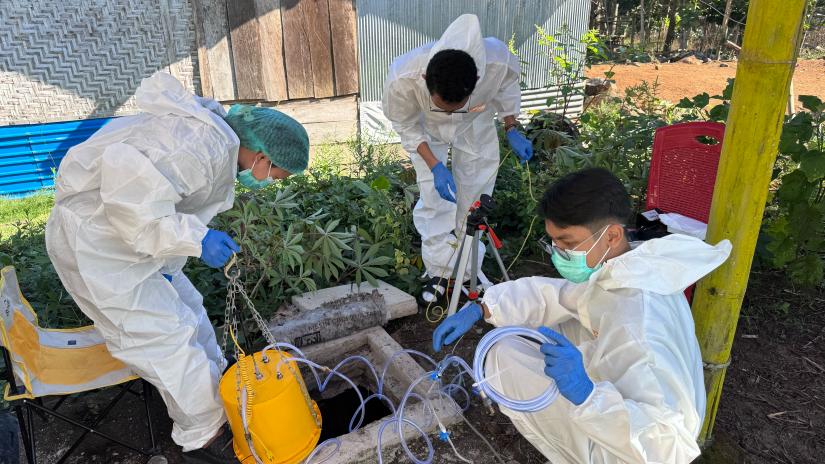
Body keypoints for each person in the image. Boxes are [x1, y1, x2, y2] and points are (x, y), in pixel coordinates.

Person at [45, 72, 309, 463]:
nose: (270, 182)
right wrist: (198, 240)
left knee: (191, 311)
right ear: (262, 158)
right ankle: (205, 438)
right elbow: (131, 207)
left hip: (131, 243)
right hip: (98, 248)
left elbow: (164, 201)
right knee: (166, 342)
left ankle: (224, 392)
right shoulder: (196, 147)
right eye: (274, 175)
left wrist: (172, 257)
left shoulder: (217, 141)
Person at [432, 168, 732, 463]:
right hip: (618, 391)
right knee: (505, 346)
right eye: (554, 243)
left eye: (568, 243)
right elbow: (558, 295)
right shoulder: (624, 267)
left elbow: (671, 451)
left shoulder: (640, 323)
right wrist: (483, 306)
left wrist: (587, 395)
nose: (558, 253)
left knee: (504, 362)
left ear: (612, 235)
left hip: (637, 449)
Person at [382, 14, 531, 302]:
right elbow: (407, 126)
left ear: (476, 81)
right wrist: (435, 166)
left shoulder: (497, 61)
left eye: (455, 105)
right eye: (443, 105)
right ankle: (438, 270)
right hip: (427, 130)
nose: (450, 112)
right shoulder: (404, 76)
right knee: (432, 195)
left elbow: (507, 86)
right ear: (426, 79)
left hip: (475, 126)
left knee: (475, 199)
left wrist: (512, 126)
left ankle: (468, 269)